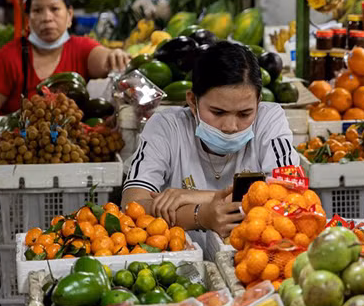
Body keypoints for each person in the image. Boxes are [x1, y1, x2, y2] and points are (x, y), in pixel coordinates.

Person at [0, 0, 129, 306]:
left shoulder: (81, 49)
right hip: (16, 166)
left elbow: (101, 58)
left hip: (67, 168)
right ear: (27, 16)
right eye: (37, 10)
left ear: (69, 14)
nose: (46, 18)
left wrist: (114, 56)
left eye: (55, 9)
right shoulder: (9, 58)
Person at [121, 41, 298, 241]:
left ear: (258, 102)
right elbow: (132, 205)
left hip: (254, 254)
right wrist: (201, 216)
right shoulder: (167, 127)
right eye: (218, 112)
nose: (230, 126)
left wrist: (195, 197)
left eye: (244, 114)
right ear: (192, 101)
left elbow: (290, 194)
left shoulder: (270, 120)